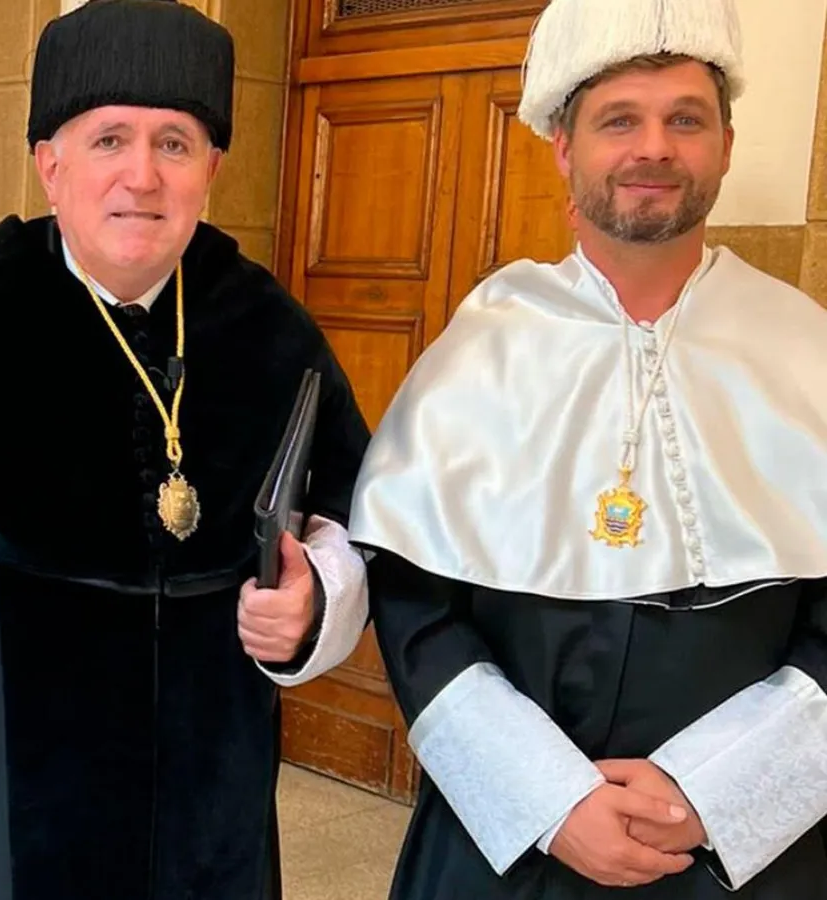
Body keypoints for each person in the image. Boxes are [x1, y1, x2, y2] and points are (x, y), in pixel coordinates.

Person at [0, 2, 376, 898]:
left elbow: (351, 511)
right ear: (51, 165)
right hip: (6, 793)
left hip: (213, 801)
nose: (143, 176)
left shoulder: (271, 328)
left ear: (212, 170)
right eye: (109, 140)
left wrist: (317, 599)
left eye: (175, 144)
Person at [350, 0, 827, 897]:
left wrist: (714, 793)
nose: (654, 148)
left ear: (727, 144)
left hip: (738, 856)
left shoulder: (808, 349)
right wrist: (547, 798)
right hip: (510, 844)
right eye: (619, 120)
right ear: (564, 148)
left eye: (685, 119)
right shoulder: (482, 346)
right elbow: (416, 611)